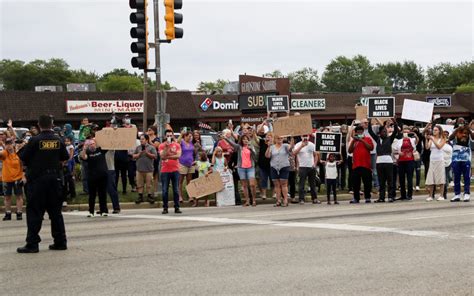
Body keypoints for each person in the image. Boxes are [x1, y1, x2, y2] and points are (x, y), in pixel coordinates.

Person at [17, 115, 69, 253]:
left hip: (38, 181)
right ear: (51, 124)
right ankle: (60, 241)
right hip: (54, 179)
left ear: (39, 125)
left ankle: (32, 243)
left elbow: (23, 157)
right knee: (56, 213)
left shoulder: (35, 140)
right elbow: (65, 157)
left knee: (34, 212)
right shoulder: (58, 140)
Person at [368, 118, 399, 203]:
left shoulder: (390, 139)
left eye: (386, 131)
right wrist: (369, 121)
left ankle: (390, 197)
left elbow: (395, 131)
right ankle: (381, 197)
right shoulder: (377, 139)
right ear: (380, 133)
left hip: (388, 161)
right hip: (379, 162)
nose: (385, 133)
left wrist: (395, 122)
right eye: (383, 132)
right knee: (381, 181)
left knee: (390, 180)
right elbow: (370, 132)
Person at [225, 134, 258, 207]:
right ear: (241, 140)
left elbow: (255, 157)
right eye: (244, 139)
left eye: (246, 139)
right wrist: (225, 138)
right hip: (241, 168)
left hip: (250, 167)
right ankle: (247, 201)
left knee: (252, 185)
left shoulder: (251, 147)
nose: (245, 140)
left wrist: (251, 149)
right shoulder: (239, 147)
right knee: (244, 185)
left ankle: (254, 200)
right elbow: (232, 143)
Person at [80, 138, 109, 217]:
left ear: (96, 144)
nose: (92, 145)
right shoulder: (88, 153)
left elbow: (109, 145)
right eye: (90, 144)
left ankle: (103, 210)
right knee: (92, 195)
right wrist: (84, 149)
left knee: (102, 194)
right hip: (92, 176)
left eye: (93, 143)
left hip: (103, 176)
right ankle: (91, 211)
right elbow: (84, 157)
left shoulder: (100, 150)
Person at [348, 125, 374, 203]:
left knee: (367, 183)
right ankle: (356, 198)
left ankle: (367, 197)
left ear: (363, 132)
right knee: (355, 183)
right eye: (358, 132)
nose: (359, 133)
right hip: (356, 165)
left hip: (365, 165)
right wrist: (353, 140)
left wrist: (362, 140)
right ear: (356, 133)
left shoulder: (368, 139)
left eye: (361, 132)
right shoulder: (354, 141)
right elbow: (349, 151)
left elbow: (370, 148)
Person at [1, 138, 25, 220]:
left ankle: (19, 213)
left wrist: (23, 176)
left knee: (19, 196)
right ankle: (8, 213)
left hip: (17, 178)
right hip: (6, 178)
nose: (9, 146)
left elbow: (22, 166)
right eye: (7, 144)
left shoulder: (18, 154)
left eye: (10, 143)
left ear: (13, 144)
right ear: (5, 145)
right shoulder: (5, 153)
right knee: (7, 197)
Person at [159, 129, 182, 214]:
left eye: (170, 135)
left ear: (173, 136)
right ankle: (165, 207)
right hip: (165, 170)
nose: (169, 137)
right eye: (167, 135)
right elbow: (162, 156)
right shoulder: (162, 145)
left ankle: (177, 207)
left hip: (175, 169)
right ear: (165, 136)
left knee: (176, 189)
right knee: (165, 190)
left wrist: (168, 157)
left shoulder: (177, 145)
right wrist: (167, 147)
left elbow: (178, 155)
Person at [265, 135, 293, 207]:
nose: (279, 139)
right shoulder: (272, 147)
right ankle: (278, 200)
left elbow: (291, 149)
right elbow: (267, 156)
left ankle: (285, 200)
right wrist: (268, 146)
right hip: (274, 166)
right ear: (275, 139)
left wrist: (292, 140)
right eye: (278, 138)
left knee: (284, 184)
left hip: (284, 166)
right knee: (276, 185)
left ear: (283, 139)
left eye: (281, 138)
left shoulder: (285, 145)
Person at [293, 134, 321, 204]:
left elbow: (316, 155)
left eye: (306, 136)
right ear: (301, 137)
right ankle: (301, 199)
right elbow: (294, 153)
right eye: (303, 136)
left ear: (309, 137)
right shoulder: (298, 144)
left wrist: (314, 164)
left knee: (312, 184)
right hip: (302, 167)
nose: (305, 137)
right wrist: (301, 146)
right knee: (301, 184)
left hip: (311, 167)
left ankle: (314, 198)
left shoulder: (312, 145)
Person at [449, 125, 473, 202]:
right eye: (461, 133)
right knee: (456, 176)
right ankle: (457, 195)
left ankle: (466, 194)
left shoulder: (469, 133)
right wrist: (456, 131)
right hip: (456, 158)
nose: (463, 135)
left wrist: (468, 130)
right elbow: (450, 138)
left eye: (465, 133)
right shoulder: (455, 133)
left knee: (466, 177)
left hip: (466, 158)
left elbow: (473, 137)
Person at [133, 134, 158, 204]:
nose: (141, 140)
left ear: (146, 140)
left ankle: (149, 196)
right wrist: (138, 154)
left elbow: (155, 156)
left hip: (149, 170)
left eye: (143, 139)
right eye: (140, 139)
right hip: (139, 170)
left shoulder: (151, 147)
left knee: (149, 184)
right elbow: (133, 156)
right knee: (139, 184)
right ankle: (140, 196)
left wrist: (147, 153)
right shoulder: (138, 148)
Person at [396, 126, 418, 201]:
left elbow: (417, 141)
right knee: (401, 179)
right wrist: (399, 152)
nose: (405, 133)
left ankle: (409, 195)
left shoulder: (412, 139)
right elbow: (396, 150)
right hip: (401, 160)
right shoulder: (399, 141)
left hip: (410, 160)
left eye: (407, 131)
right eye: (404, 131)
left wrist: (413, 134)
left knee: (409, 178)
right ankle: (403, 195)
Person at [424, 125, 446, 201]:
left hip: (440, 160)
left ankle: (441, 195)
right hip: (432, 160)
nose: (434, 131)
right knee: (431, 178)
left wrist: (433, 139)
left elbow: (439, 146)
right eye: (433, 130)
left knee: (440, 178)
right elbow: (427, 147)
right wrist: (426, 139)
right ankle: (430, 196)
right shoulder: (431, 139)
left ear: (439, 131)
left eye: (436, 130)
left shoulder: (443, 138)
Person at [178, 130, 196, 204]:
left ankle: (190, 196)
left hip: (191, 164)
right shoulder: (182, 142)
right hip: (182, 163)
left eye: (191, 136)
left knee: (189, 180)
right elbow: (177, 142)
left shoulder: (191, 143)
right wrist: (181, 134)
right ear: (185, 136)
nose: (190, 138)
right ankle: (180, 196)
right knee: (180, 181)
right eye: (189, 136)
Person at [105, 150, 121, 214]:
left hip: (110, 169)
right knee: (102, 191)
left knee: (111, 189)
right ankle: (103, 208)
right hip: (101, 169)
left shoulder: (110, 147)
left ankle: (116, 207)